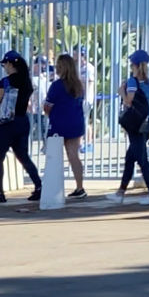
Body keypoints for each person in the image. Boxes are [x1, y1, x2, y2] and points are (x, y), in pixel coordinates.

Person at [0, 50, 41, 203]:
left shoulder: (6, 82)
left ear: (10, 64)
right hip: (22, 121)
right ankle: (39, 186)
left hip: (6, 124)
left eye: (4, 64)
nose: (4, 67)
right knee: (23, 156)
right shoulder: (27, 82)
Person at [116, 50, 149, 203]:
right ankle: (120, 192)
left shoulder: (132, 82)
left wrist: (121, 92)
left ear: (134, 65)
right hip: (146, 123)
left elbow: (129, 101)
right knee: (131, 157)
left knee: (142, 158)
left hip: (134, 123)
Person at [44, 53, 89, 199]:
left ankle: (54, 189)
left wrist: (48, 112)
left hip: (59, 125)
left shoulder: (56, 86)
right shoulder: (79, 85)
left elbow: (47, 107)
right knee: (73, 155)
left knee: (55, 157)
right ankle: (80, 186)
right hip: (76, 123)